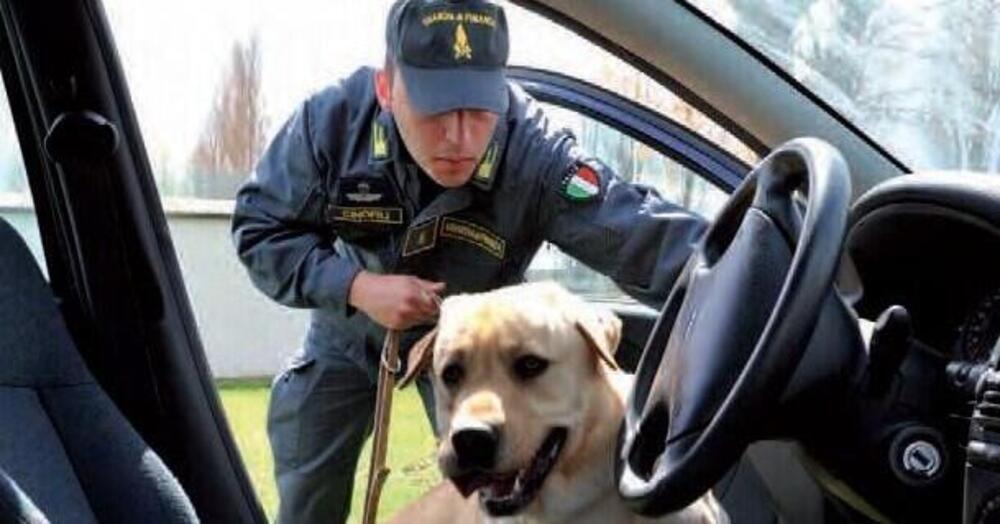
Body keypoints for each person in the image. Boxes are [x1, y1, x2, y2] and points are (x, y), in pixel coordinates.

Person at [231, 0, 708, 522]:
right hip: (346, 330)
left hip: (476, 352)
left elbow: (643, 237)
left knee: (496, 486)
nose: (459, 139)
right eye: (436, 111)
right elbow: (260, 227)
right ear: (386, 90)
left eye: (479, 110)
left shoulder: (534, 152)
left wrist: (751, 260)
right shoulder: (331, 125)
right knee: (307, 474)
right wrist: (357, 287)